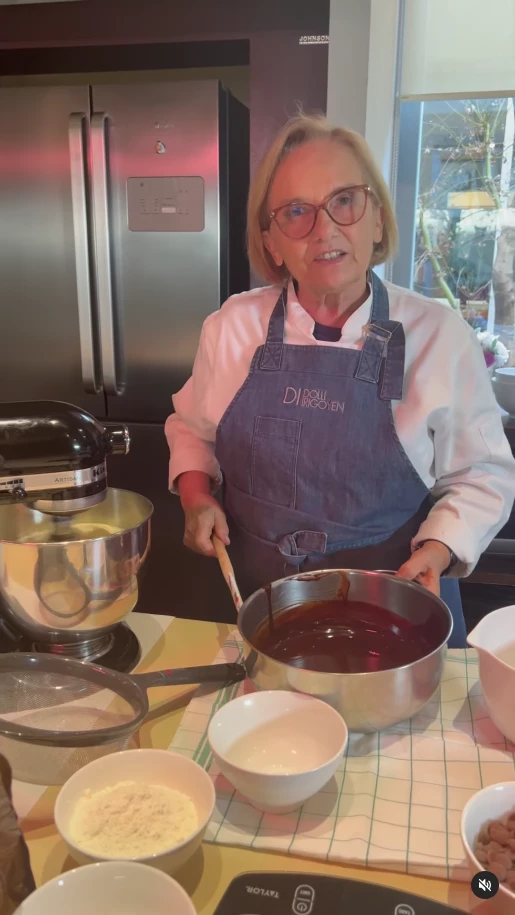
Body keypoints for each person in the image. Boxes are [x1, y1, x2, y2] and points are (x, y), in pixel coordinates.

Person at [165, 114, 515, 648]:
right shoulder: (232, 327)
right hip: (256, 610)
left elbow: (482, 474)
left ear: (377, 219)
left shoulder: (439, 336)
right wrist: (196, 495)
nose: (325, 229)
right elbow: (192, 429)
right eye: (297, 212)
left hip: (394, 615)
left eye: (345, 201)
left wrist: (441, 547)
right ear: (272, 241)